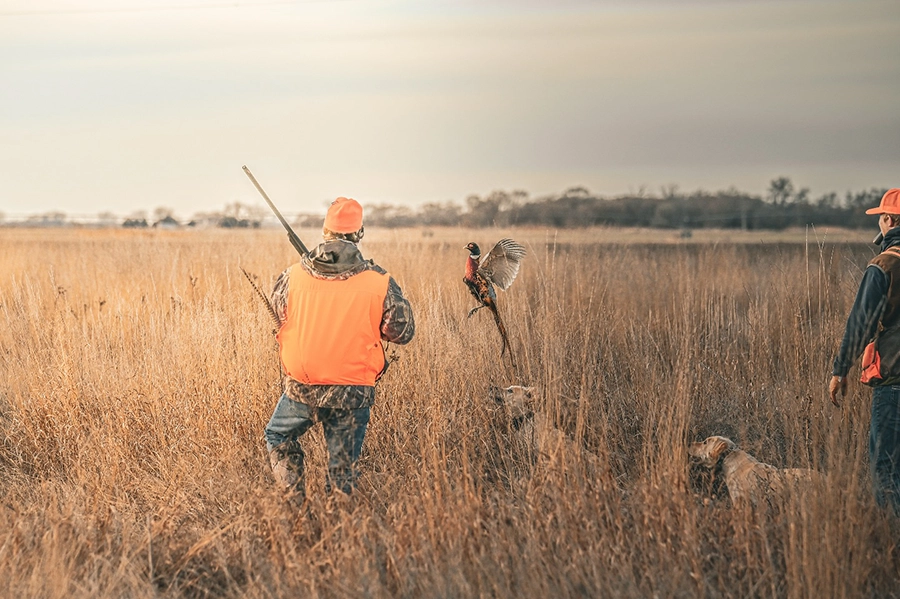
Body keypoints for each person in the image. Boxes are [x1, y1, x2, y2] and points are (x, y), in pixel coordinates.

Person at [265, 197, 414, 501]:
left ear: (324, 231)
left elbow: (280, 314)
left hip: (303, 387)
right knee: (342, 469)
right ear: (359, 234)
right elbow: (402, 332)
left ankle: (295, 506)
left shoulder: (292, 276)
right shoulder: (379, 281)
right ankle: (340, 529)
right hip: (353, 389)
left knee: (278, 436)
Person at [830, 187, 900, 514]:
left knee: (886, 468)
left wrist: (840, 369)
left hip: (894, 381)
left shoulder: (884, 265)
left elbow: (861, 322)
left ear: (887, 220)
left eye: (881, 217)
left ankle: (889, 543)